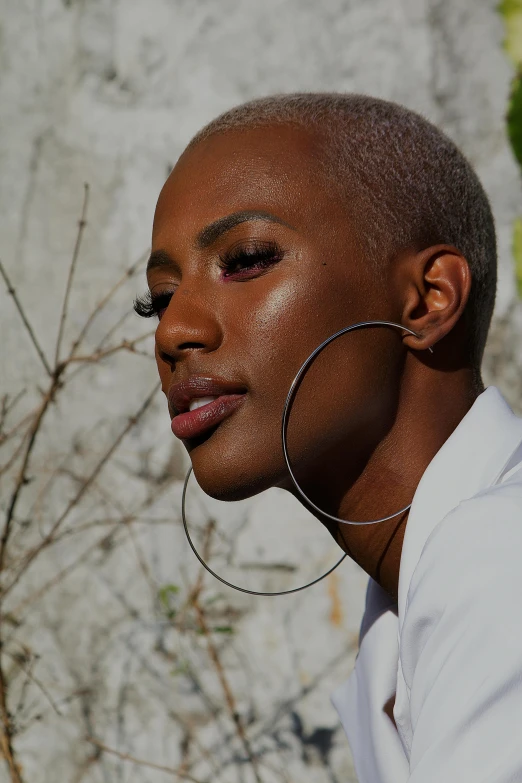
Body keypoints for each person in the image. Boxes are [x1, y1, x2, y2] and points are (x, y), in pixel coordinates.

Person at [133, 93, 522, 782]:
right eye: (160, 298)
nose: (173, 331)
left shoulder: (500, 555)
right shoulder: (408, 608)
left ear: (429, 299)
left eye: (246, 260)